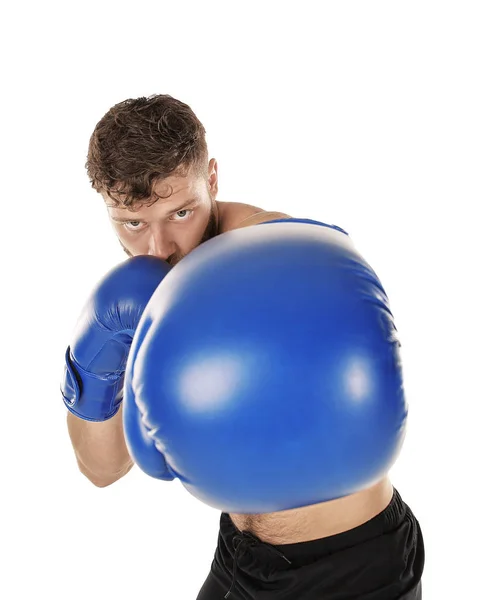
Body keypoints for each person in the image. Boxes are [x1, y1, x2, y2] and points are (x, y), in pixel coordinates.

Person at [63, 94, 424, 599]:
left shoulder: (284, 255)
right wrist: (97, 348)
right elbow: (100, 469)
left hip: (353, 568)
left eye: (181, 212)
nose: (159, 248)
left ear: (212, 178)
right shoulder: (140, 296)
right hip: (242, 556)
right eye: (133, 223)